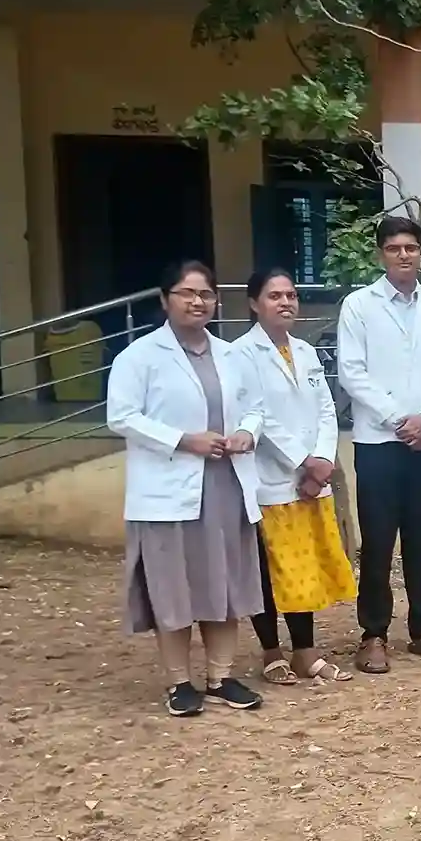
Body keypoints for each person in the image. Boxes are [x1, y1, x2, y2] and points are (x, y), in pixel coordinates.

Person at [105, 260, 266, 716]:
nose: (198, 302)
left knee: (224, 582)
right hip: (168, 489)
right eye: (187, 293)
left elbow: (256, 406)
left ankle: (221, 676)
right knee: (172, 587)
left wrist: (247, 432)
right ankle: (179, 682)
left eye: (206, 294)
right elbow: (121, 416)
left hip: (225, 484)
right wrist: (182, 440)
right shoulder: (139, 357)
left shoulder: (232, 355)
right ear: (165, 300)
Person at [334, 214, 421, 674]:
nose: (404, 255)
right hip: (379, 443)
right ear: (381, 255)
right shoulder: (359, 306)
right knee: (377, 543)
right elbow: (352, 372)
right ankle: (373, 634)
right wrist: (398, 418)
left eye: (411, 247)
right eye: (394, 248)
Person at [231, 268, 358, 685]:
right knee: (270, 571)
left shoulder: (304, 351)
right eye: (275, 296)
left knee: (304, 568)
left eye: (291, 295)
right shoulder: (240, 355)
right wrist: (304, 461)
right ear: (254, 303)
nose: (285, 302)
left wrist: (321, 461)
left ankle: (305, 651)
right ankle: (271, 652)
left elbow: (325, 408)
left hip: (311, 480)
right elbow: (257, 417)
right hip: (269, 480)